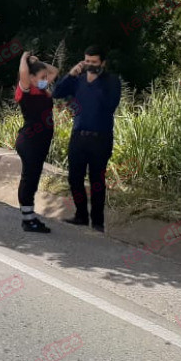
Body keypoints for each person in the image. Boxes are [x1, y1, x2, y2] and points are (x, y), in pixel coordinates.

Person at [52, 45, 122, 232]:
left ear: (103, 63)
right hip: (79, 136)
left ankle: (97, 222)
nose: (90, 66)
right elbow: (56, 93)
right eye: (87, 62)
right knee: (74, 178)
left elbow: (110, 106)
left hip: (101, 138)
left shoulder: (111, 81)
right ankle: (81, 215)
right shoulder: (78, 80)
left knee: (97, 180)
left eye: (94, 63)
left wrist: (96, 82)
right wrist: (71, 74)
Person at [14, 51, 60, 233]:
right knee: (29, 178)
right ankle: (28, 220)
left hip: (40, 142)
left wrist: (38, 62)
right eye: (41, 76)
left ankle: (30, 217)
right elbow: (24, 73)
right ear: (31, 77)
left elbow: (54, 70)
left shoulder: (40, 88)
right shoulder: (25, 89)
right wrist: (24, 58)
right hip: (30, 141)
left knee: (33, 179)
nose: (45, 79)